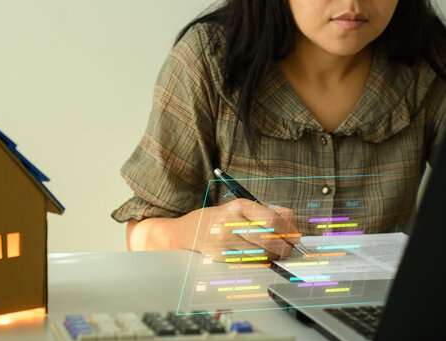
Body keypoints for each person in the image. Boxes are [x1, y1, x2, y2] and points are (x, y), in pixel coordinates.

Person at [112, 0, 446, 259]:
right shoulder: (209, 60)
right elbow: (141, 232)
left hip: (385, 326)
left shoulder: (432, 61)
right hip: (243, 321)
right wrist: (196, 232)